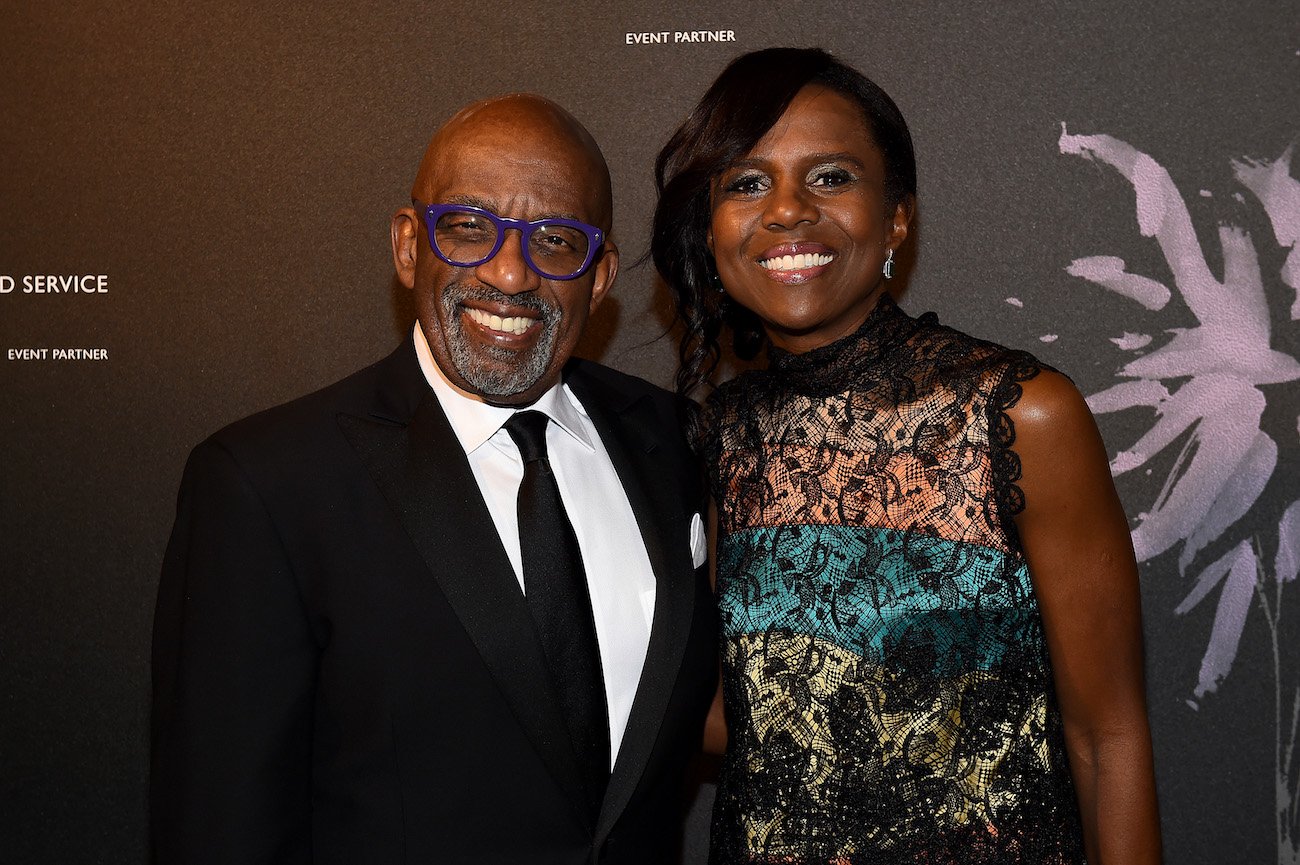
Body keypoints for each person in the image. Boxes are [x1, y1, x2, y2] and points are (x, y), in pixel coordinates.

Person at [151, 94, 717, 865]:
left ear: (602, 273)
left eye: (555, 239)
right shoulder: (267, 484)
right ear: (409, 245)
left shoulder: (669, 440)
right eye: (469, 226)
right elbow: (220, 830)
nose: (510, 272)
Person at [652, 48, 1161, 864]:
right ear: (710, 232)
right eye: (746, 183)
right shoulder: (721, 436)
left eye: (829, 178)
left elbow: (1108, 733)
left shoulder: (1019, 413)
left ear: (896, 218)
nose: (785, 210)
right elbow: (734, 710)